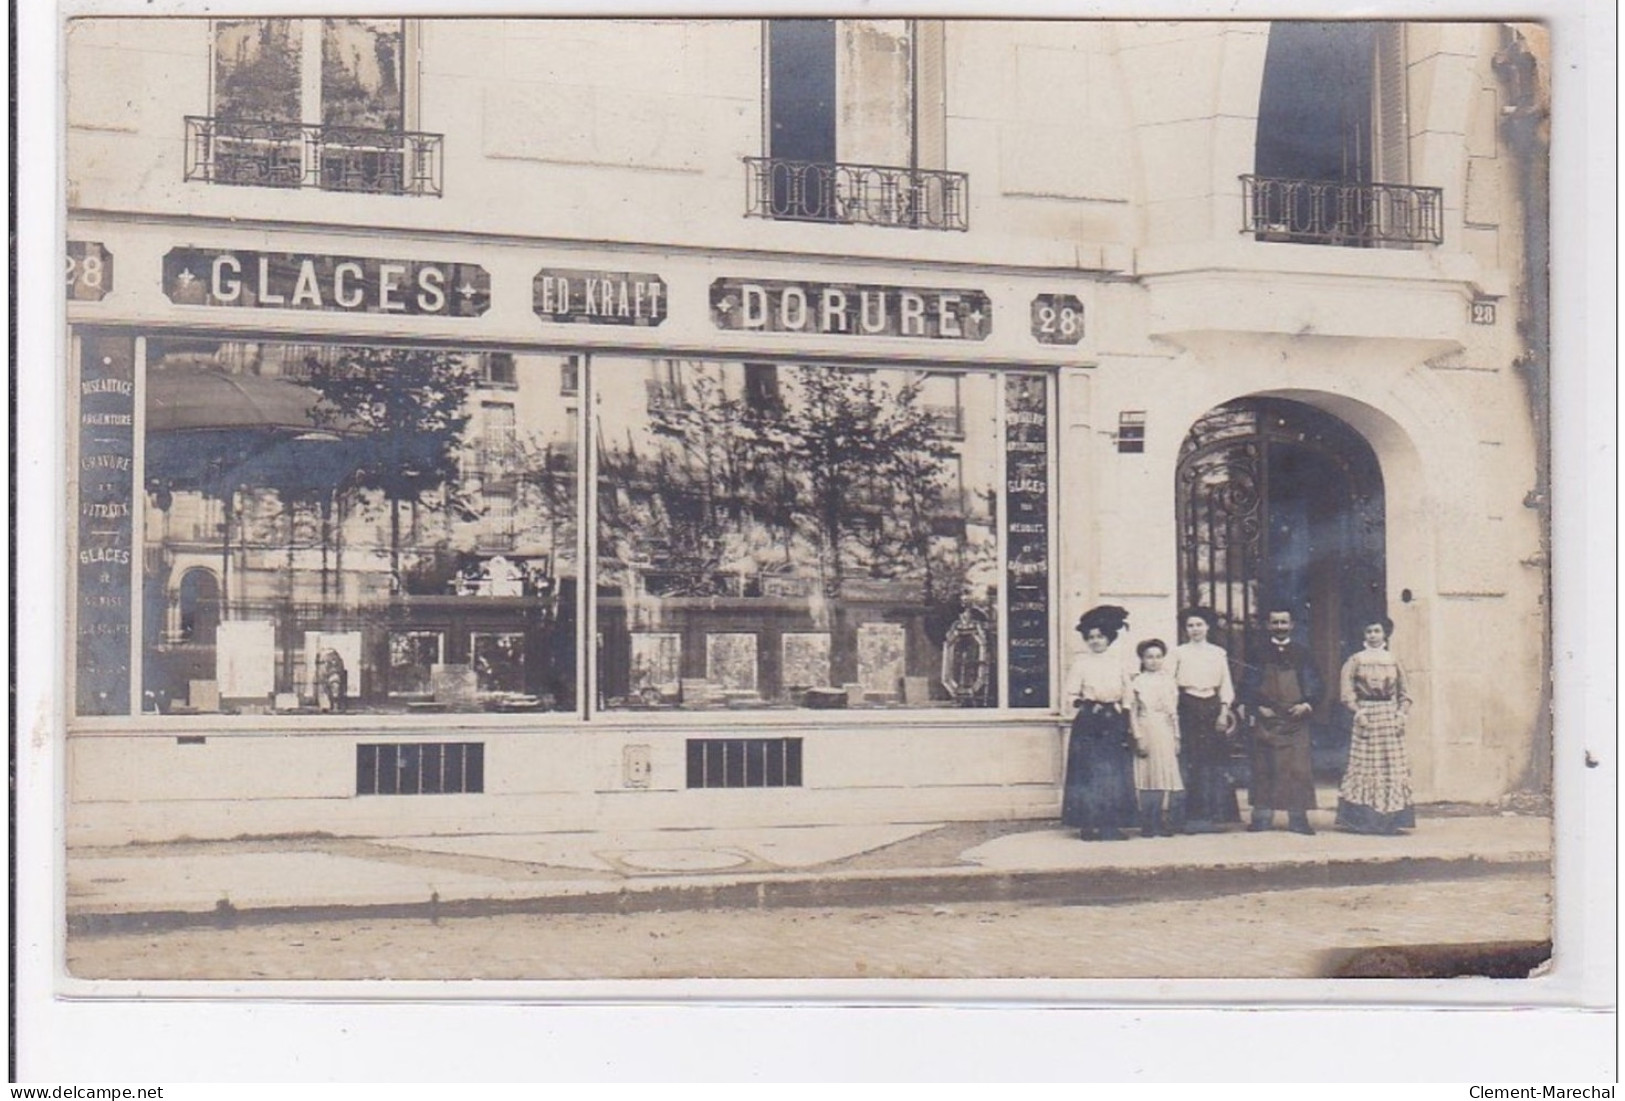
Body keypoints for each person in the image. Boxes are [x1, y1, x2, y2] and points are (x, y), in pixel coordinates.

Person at [1240, 608, 1322, 835]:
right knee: (1264, 768)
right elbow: (1247, 683)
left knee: (1297, 769)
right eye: (1275, 622)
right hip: (1267, 718)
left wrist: (1307, 704)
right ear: (1268, 625)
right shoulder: (1257, 652)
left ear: (1291, 625)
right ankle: (1262, 819)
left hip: (1296, 718)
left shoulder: (1303, 652)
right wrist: (1258, 707)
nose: (1279, 626)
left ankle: (1298, 819)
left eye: (1283, 622)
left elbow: (1316, 683)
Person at [1059, 605, 1138, 841]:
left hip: (1113, 720)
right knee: (1089, 772)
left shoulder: (1118, 663)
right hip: (1089, 721)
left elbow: (1128, 691)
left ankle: (1110, 825)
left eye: (1100, 636)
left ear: (1109, 638)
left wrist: (1122, 709)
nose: (1095, 641)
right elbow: (1071, 693)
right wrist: (1085, 704)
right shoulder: (1081, 664)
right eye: (1091, 637)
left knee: (1113, 773)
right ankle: (1088, 825)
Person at [1336, 616, 1415, 835]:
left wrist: (1401, 714)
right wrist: (1357, 711)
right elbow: (1347, 691)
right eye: (1369, 631)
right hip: (1366, 715)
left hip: (1389, 717)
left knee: (1391, 766)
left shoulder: (1394, 660)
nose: (1373, 635)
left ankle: (1389, 820)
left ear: (1385, 634)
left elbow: (1405, 693)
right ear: (1364, 634)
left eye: (1377, 631)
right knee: (1365, 765)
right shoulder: (1356, 660)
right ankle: (1365, 820)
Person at [1171, 606, 1240, 831]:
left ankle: (1216, 817)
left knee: (1214, 762)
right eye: (1190, 625)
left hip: (1211, 708)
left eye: (1199, 624)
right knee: (1192, 762)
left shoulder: (1217, 653)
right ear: (1185, 629)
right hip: (1188, 707)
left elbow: (1225, 686)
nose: (1195, 629)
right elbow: (1171, 685)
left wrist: (1223, 712)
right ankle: (1191, 819)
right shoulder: (1178, 653)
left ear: (1208, 627)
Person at [1128, 639, 1184, 838]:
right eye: (1149, 657)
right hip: (1146, 727)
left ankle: (1161, 819)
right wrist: (1138, 737)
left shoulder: (1169, 681)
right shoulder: (1137, 682)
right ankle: (1147, 822)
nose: (1154, 661)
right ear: (1142, 659)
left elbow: (1174, 712)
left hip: (1165, 730)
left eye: (1158, 657)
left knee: (1163, 775)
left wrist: (1177, 736)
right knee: (1147, 776)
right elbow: (1133, 713)